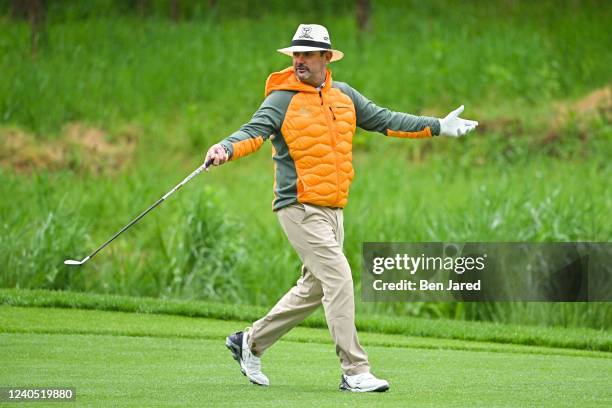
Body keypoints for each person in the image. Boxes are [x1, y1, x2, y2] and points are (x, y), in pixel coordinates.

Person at [205, 23, 478, 392]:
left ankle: (249, 342)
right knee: (339, 276)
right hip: (298, 206)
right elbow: (252, 131)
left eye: (307, 54)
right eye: (295, 54)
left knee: (314, 288)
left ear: (326, 58)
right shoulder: (281, 99)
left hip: (334, 209)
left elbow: (385, 120)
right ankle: (354, 371)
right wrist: (225, 147)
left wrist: (437, 127)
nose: (299, 60)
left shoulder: (344, 96)